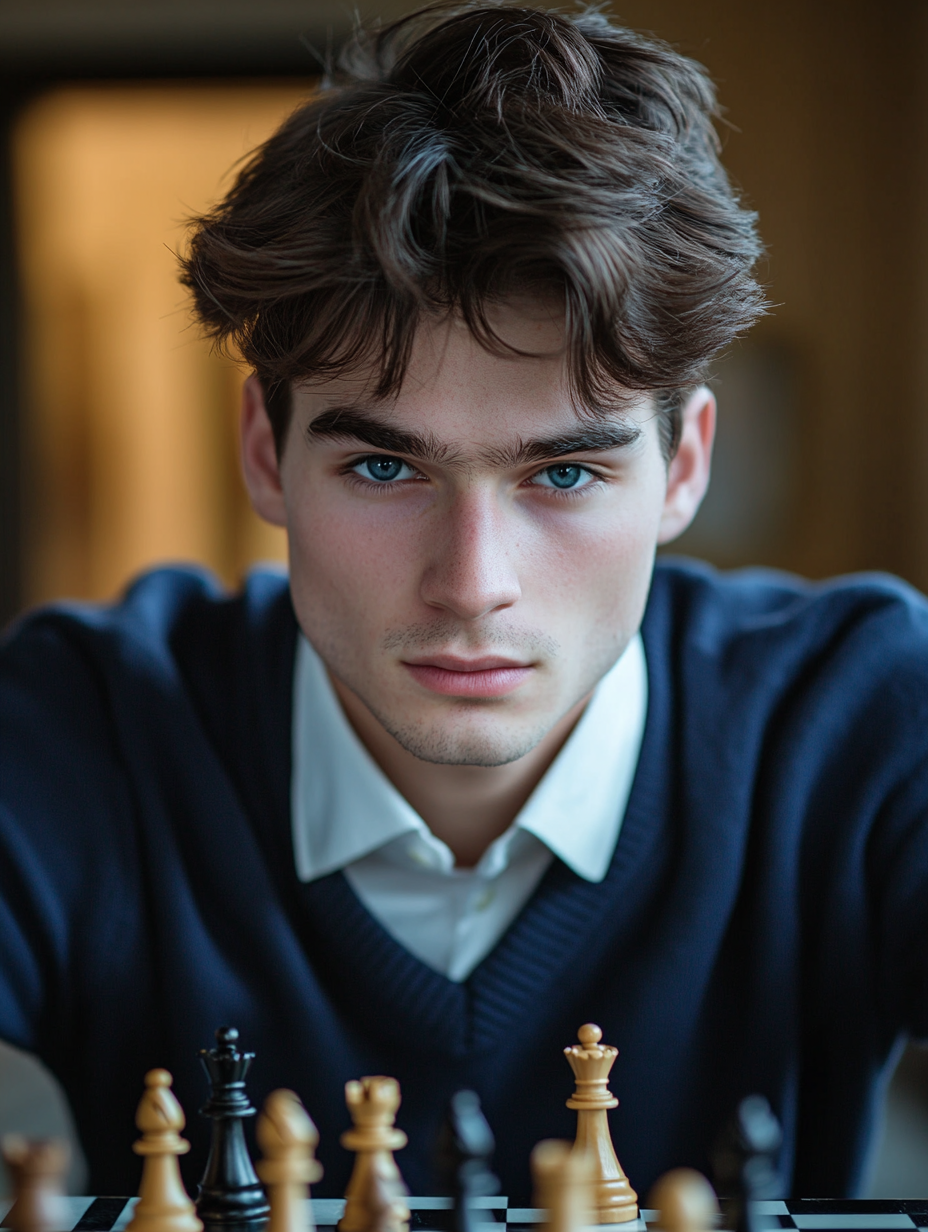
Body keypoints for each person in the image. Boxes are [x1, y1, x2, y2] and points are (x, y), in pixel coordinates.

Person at [1, 0, 926, 1207]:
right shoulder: (82, 725)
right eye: (385, 467)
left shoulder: (861, 715)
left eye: (564, 472)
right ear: (268, 454)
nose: (472, 581)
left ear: (683, 465)